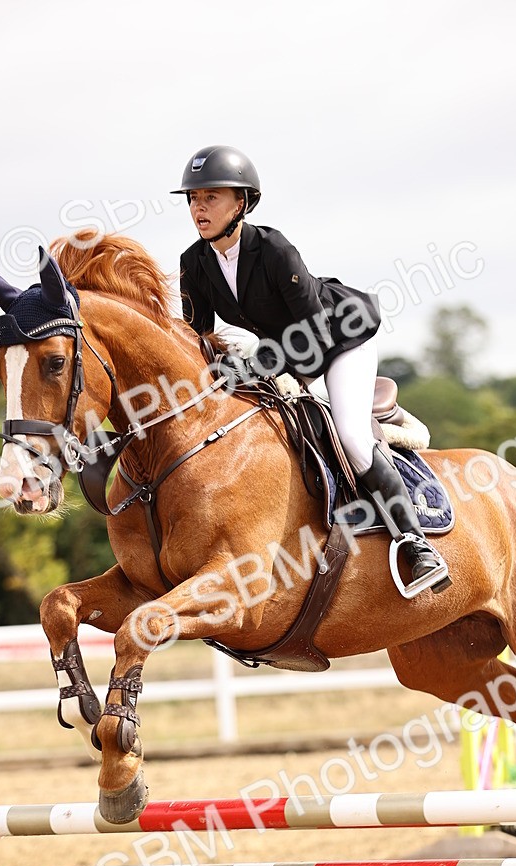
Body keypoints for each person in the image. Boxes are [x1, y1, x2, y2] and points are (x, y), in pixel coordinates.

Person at [172, 144, 451, 595]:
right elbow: (195, 337)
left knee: (353, 438)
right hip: (287, 348)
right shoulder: (194, 263)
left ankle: (416, 544)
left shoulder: (274, 249)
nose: (198, 208)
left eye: (211, 197)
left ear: (242, 202)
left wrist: (257, 364)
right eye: (193, 199)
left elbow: (313, 334)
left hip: (340, 336)